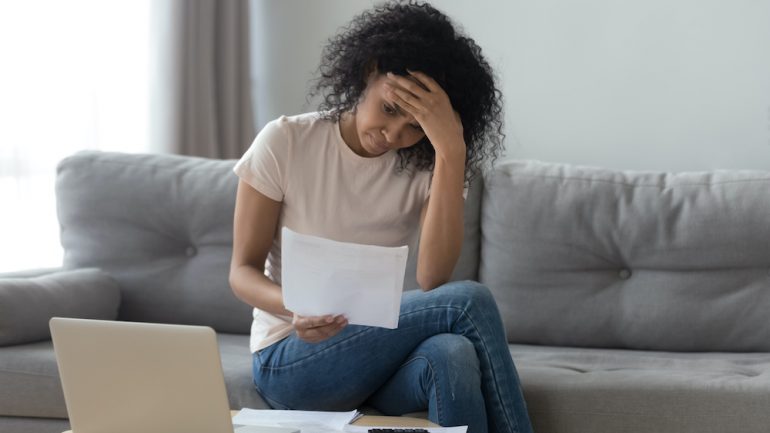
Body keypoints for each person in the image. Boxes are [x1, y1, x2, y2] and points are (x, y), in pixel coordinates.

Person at [229, 2, 533, 433]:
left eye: (415, 127)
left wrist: (451, 151)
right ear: (368, 71)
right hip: (292, 355)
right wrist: (295, 308)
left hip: (378, 358)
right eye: (390, 110)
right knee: (471, 301)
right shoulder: (287, 141)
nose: (393, 136)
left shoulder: (432, 163)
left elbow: (432, 276)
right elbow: (241, 272)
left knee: (452, 354)